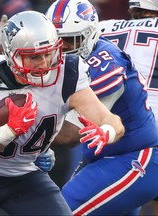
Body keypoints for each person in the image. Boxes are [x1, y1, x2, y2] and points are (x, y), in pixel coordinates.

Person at [0, 11, 125, 215]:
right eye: (33, 57)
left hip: (27, 176)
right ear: (10, 55)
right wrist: (10, 129)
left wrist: (107, 132)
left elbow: (110, 120)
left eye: (48, 53)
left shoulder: (68, 73)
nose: (43, 63)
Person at [45, 0, 158, 215]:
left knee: (62, 209)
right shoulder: (86, 42)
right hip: (105, 157)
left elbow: (67, 136)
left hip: (135, 154)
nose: (63, 47)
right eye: (57, 41)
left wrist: (21, 129)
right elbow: (34, 47)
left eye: (70, 40)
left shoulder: (106, 61)